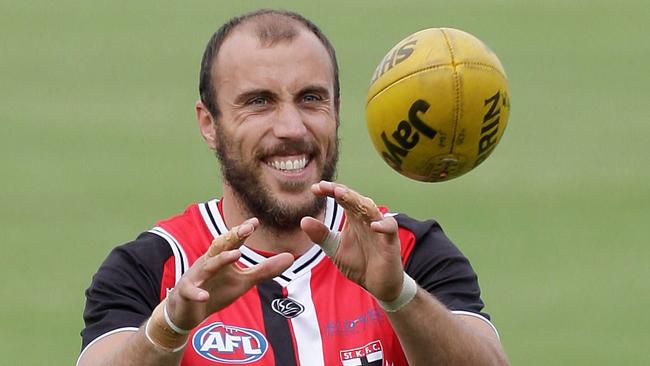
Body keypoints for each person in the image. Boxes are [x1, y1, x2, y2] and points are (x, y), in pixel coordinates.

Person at [77, 9, 509, 366]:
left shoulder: (408, 252)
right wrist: (170, 327)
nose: (291, 127)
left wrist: (399, 296)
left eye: (311, 99)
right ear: (209, 124)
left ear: (337, 111)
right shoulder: (154, 266)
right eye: (259, 101)